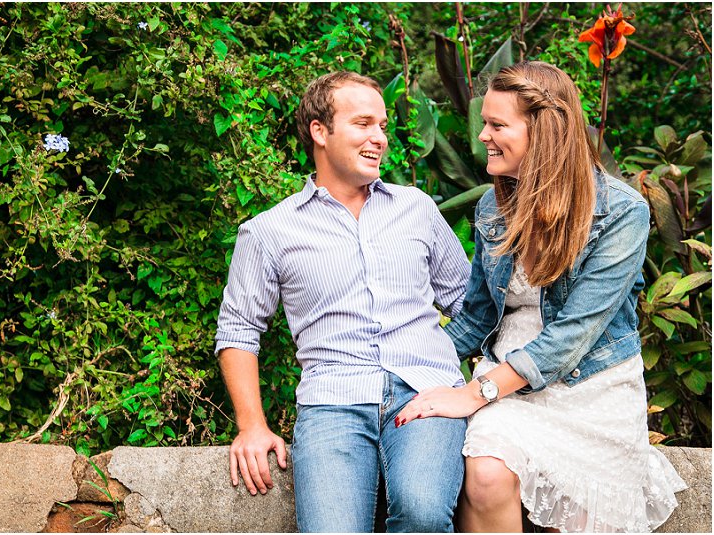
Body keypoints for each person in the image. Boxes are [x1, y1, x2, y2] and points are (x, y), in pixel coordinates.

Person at [395, 61, 687, 533]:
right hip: (508, 379)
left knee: (578, 515)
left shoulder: (621, 212)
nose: (483, 137)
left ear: (543, 132)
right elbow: (476, 317)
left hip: (592, 384)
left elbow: (574, 334)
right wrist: (407, 370)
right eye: (484, 124)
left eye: (497, 125)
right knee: (486, 474)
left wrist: (474, 393)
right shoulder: (493, 205)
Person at [215, 71, 471, 532]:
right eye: (363, 124)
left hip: (426, 392)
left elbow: (468, 306)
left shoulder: (417, 209)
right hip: (332, 401)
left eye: (383, 126)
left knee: (422, 510)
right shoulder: (270, 231)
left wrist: (478, 388)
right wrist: (252, 424)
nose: (379, 139)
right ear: (320, 131)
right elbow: (238, 330)